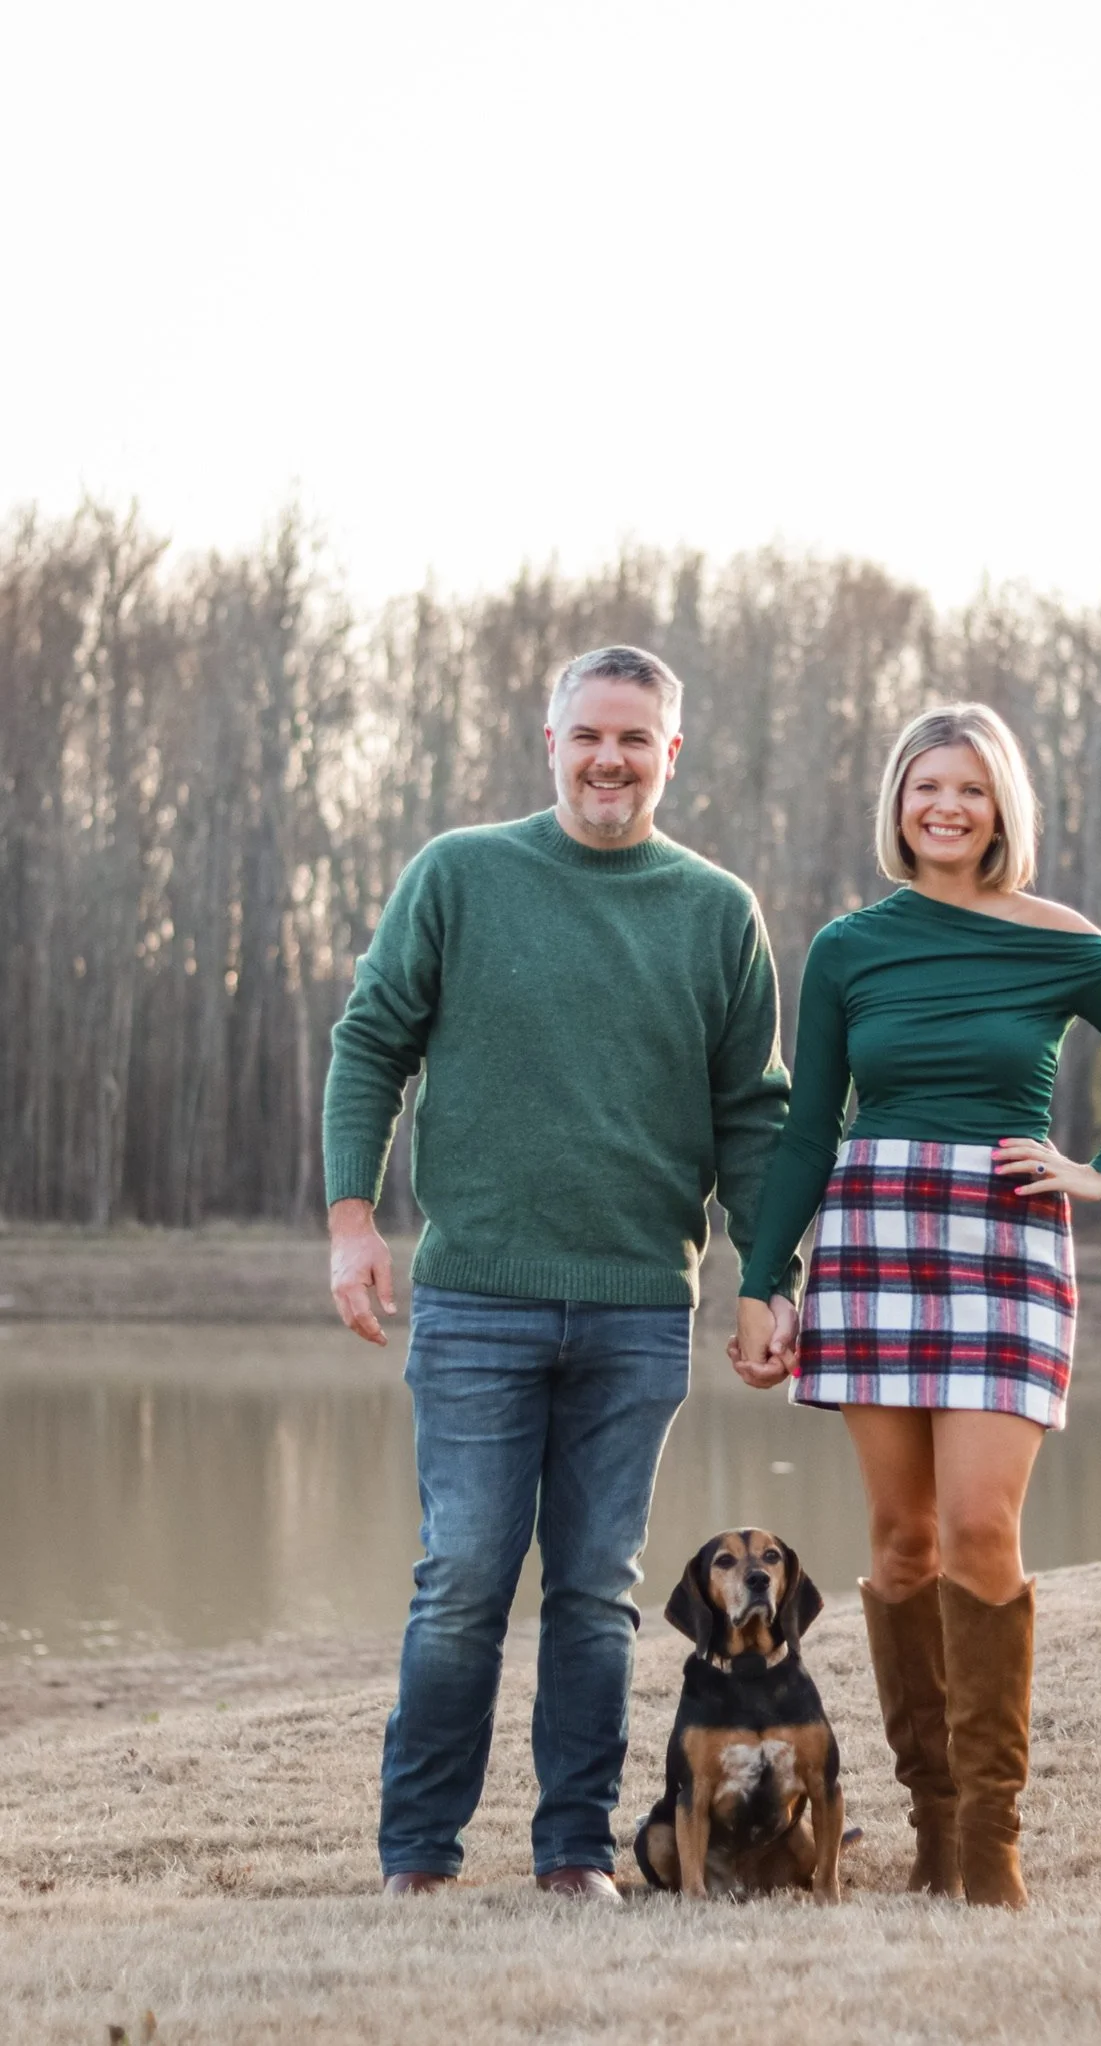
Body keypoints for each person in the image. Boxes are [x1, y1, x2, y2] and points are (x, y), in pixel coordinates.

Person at [323, 645, 800, 1904]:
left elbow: (752, 1111)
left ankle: (572, 1852)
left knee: (596, 1593)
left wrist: (766, 1275)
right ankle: (418, 1856)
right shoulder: (461, 874)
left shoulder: (716, 911)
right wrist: (352, 1218)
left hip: (641, 1302)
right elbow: (372, 1040)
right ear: (549, 740)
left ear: (670, 754)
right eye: (589, 733)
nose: (609, 758)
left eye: (635, 739)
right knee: (465, 1576)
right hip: (477, 1292)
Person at [731, 702, 1101, 1909]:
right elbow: (807, 1128)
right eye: (923, 786)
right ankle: (933, 1827)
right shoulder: (849, 946)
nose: (946, 807)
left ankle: (991, 1849)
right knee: (900, 1544)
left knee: (981, 1532)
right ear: (897, 803)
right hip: (874, 1230)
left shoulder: (1066, 942)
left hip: (1005, 1242)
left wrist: (1099, 1167)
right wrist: (758, 1278)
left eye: (970, 789)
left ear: (1003, 807)